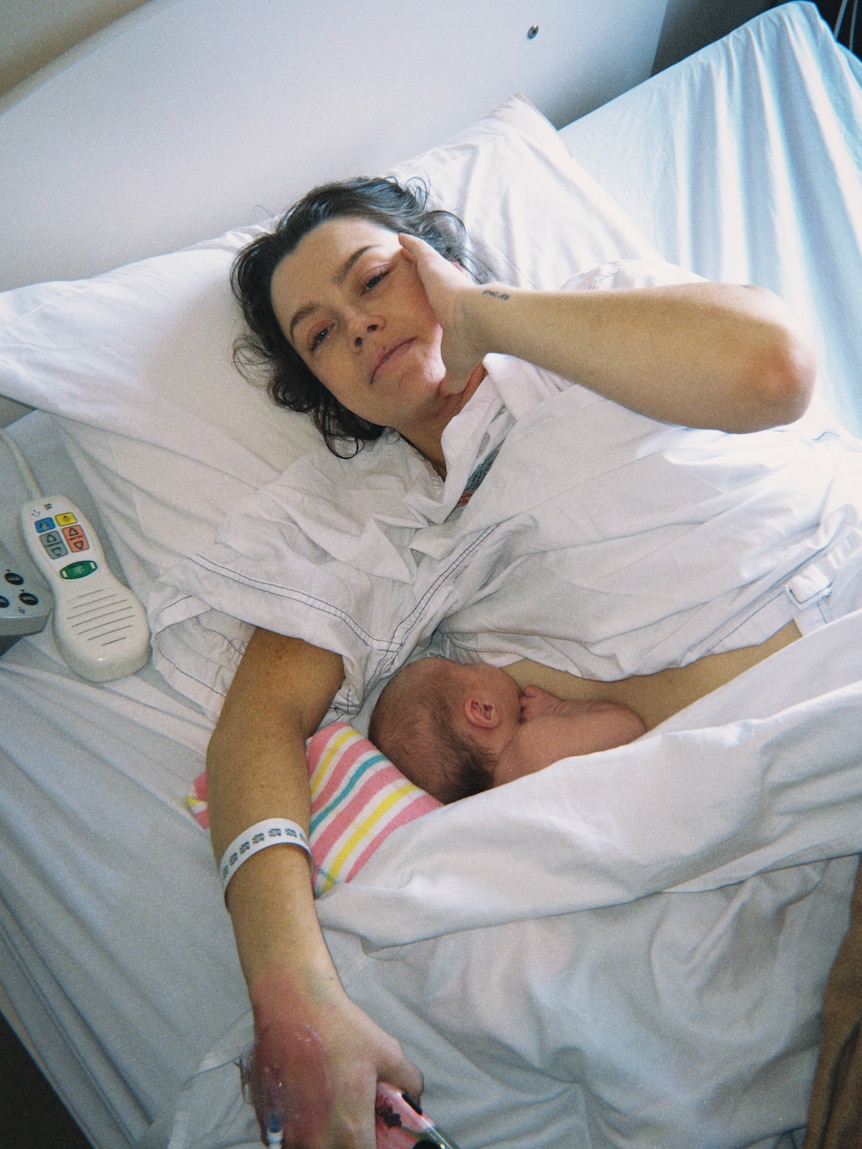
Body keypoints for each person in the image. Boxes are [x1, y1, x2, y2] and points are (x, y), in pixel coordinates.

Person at [200, 173, 862, 1148]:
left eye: (373, 279)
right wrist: (295, 997)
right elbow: (255, 728)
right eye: (320, 335)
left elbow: (774, 371)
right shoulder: (358, 520)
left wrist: (483, 316)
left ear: (435, 257)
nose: (360, 326)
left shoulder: (598, 317)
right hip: (743, 807)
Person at [368, 655, 646, 802]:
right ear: (484, 710)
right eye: (466, 665)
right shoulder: (533, 747)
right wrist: (560, 709)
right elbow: (630, 727)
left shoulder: (494, 803)